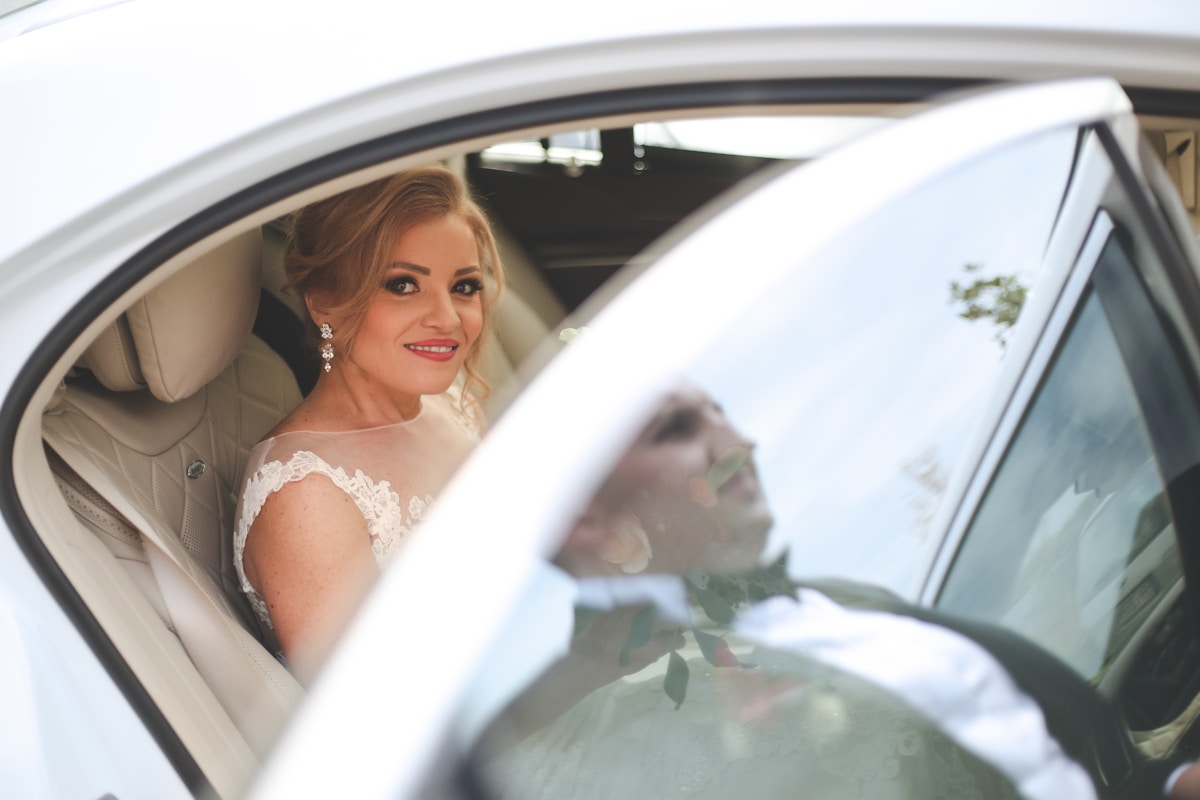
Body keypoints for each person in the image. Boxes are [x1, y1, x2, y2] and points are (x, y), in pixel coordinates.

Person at [479, 382, 1197, 800]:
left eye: (721, 411)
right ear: (595, 522)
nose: (739, 444)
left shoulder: (842, 598)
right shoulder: (608, 728)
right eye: (677, 430)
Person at [232, 165, 504, 682]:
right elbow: (370, 718)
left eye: (464, 286)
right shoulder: (305, 491)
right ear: (324, 302)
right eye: (404, 285)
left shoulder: (457, 405)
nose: (447, 317)